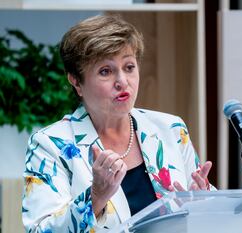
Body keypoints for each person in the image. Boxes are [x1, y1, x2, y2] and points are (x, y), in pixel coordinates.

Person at [22, 14, 214, 232]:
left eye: (129, 67)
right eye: (106, 71)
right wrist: (95, 198)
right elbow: (40, 230)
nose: (122, 81)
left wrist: (203, 202)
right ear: (76, 81)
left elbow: (204, 216)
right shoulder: (50, 145)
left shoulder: (170, 129)